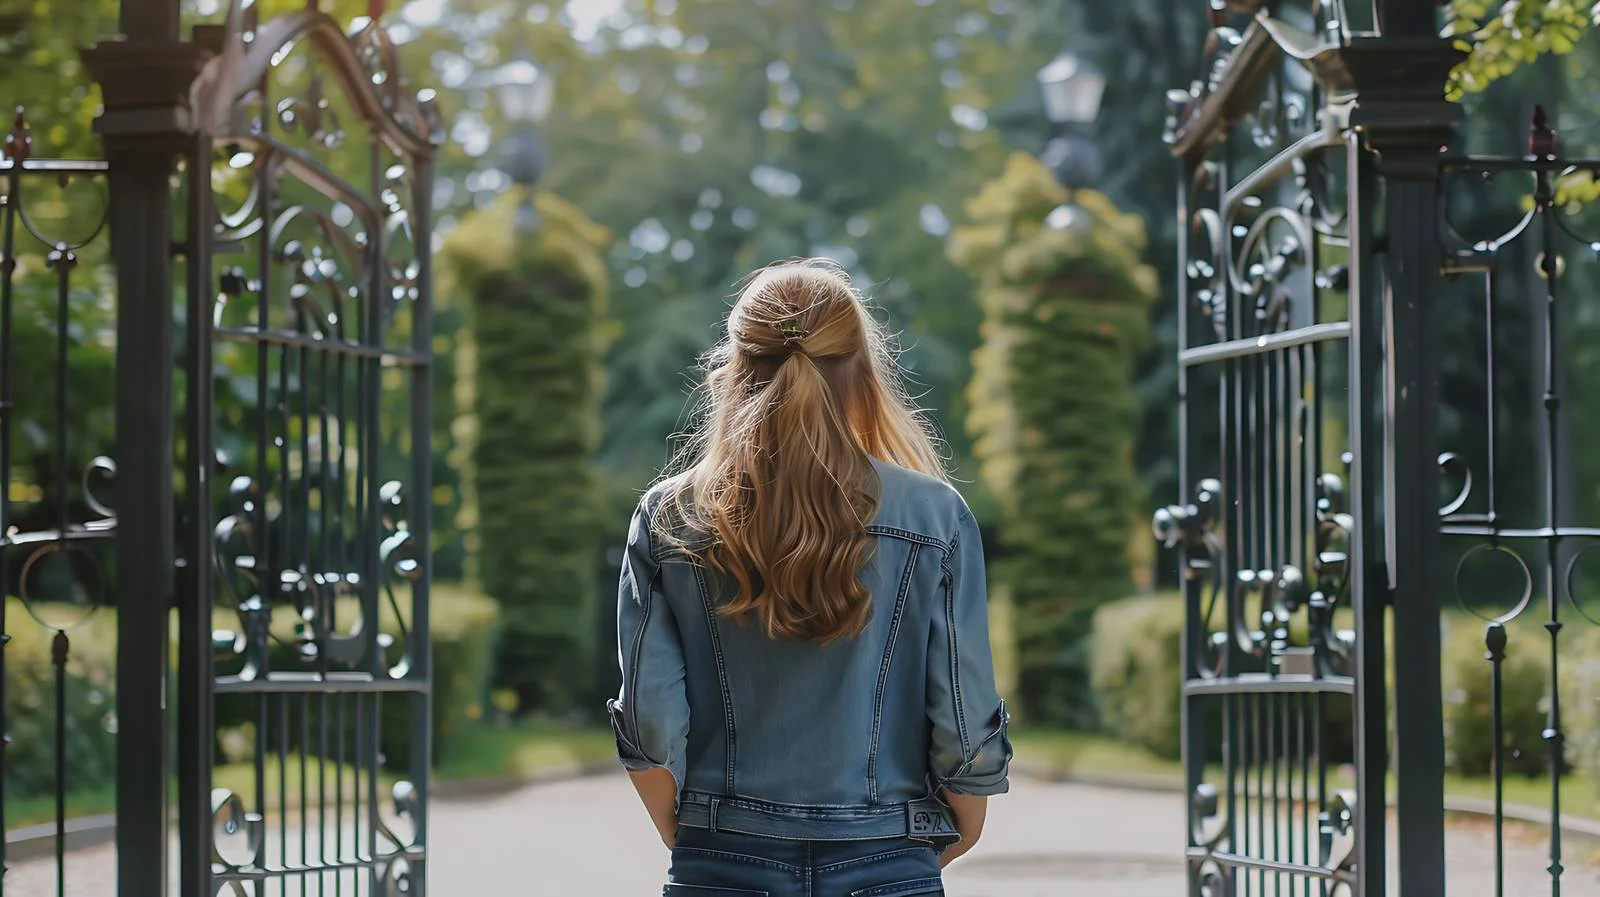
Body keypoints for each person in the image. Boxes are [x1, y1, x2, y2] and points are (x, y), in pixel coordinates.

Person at [607, 259, 1011, 897]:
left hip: (722, 852)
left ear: (735, 369)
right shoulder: (933, 516)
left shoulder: (670, 515)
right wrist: (959, 831)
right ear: (861, 371)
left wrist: (690, 833)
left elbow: (650, 720)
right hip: (886, 853)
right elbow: (962, 715)